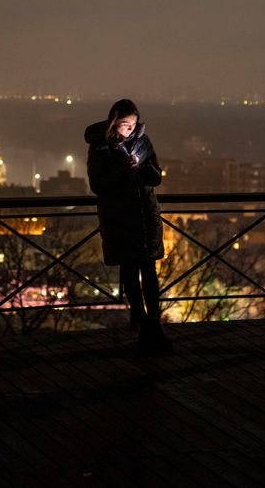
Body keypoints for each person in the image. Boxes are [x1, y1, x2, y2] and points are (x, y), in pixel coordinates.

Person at [84, 98, 172, 355]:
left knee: (150, 272)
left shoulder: (143, 142)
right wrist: (123, 170)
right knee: (130, 271)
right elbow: (98, 185)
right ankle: (143, 324)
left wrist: (144, 169)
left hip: (145, 215)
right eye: (125, 124)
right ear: (114, 123)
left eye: (133, 124)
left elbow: (156, 176)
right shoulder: (101, 147)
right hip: (121, 218)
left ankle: (154, 324)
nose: (130, 129)